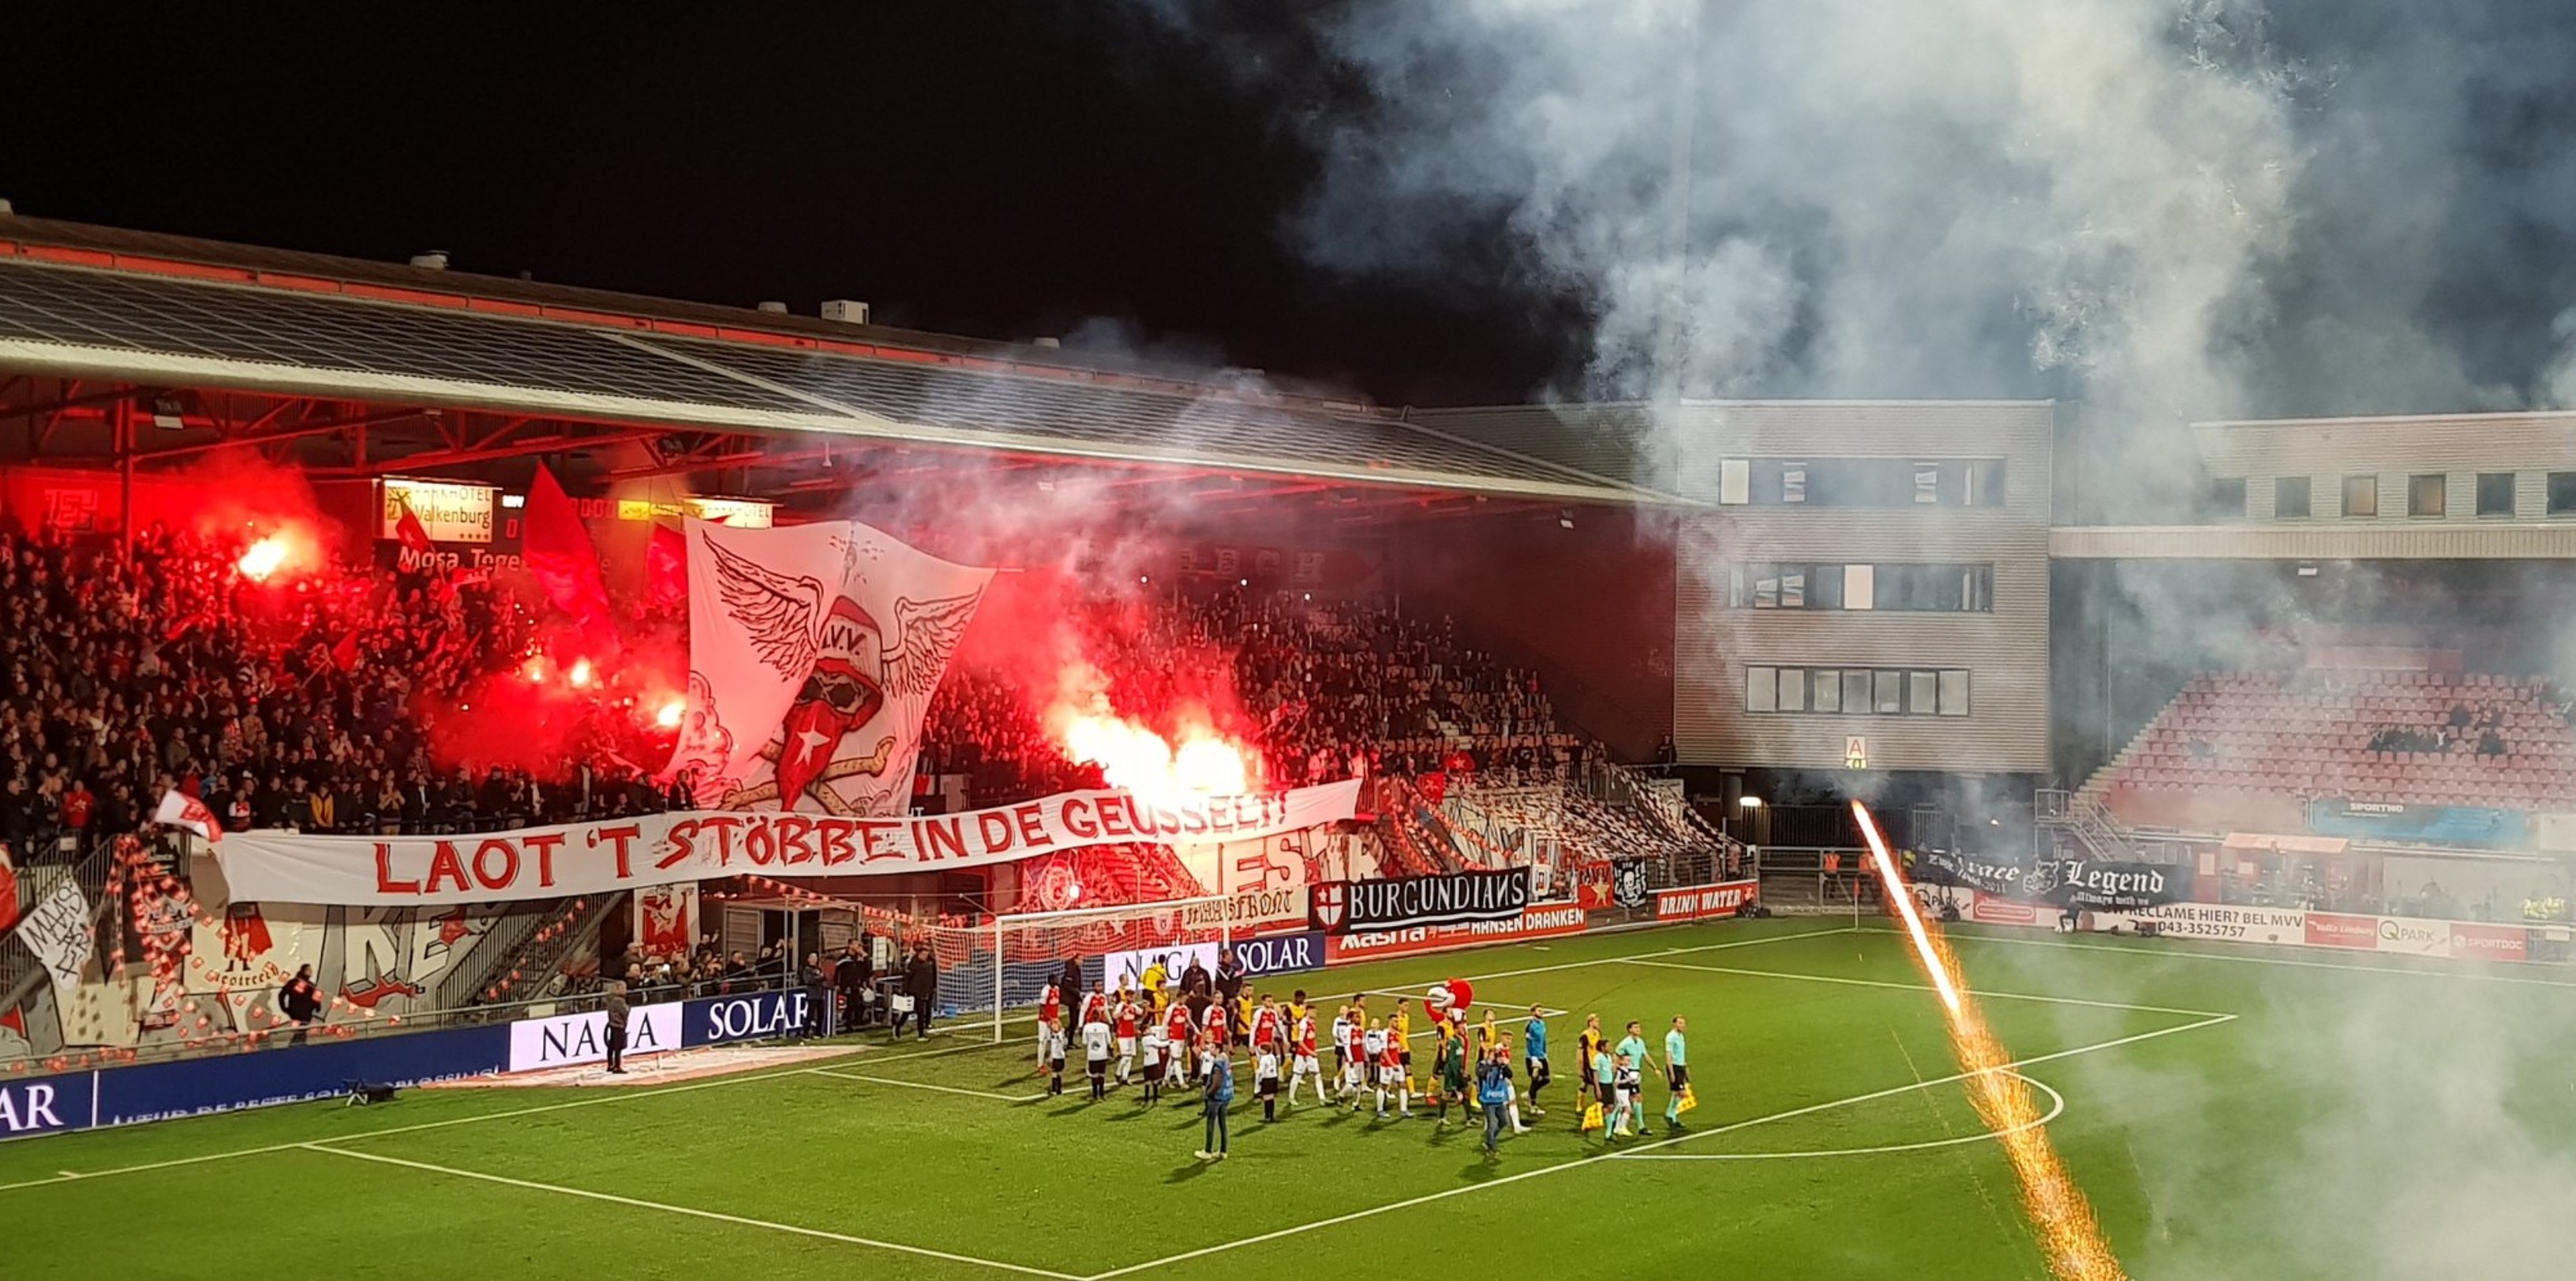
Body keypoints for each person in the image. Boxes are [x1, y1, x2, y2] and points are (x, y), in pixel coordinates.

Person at [1196, 1029, 1236, 1161]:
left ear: (1218, 1049)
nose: (1210, 1048)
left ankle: (1208, 1151)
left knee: (1211, 1123)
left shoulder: (1218, 1063)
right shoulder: (1226, 1060)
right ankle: (1223, 1151)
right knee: (1223, 1123)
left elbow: (1217, 1082)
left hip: (1217, 1097)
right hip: (1226, 1095)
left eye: (1212, 1047)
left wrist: (1208, 1093)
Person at [1477, 1048, 1514, 1157]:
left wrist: (1504, 1065)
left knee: (1504, 1122)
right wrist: (1489, 1063)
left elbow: (1510, 1075)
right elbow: (1481, 1074)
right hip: (1487, 1101)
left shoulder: (1502, 1068)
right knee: (1492, 1124)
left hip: (1499, 1100)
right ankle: (1492, 1148)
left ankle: (1489, 1139)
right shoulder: (1482, 1065)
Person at [1287, 1003, 1323, 1110]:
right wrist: (1310, 1052)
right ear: (1308, 1012)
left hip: (1311, 1054)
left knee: (1317, 1075)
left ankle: (1322, 1098)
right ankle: (1291, 1097)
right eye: (1313, 1011)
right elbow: (1300, 1042)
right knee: (1297, 1075)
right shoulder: (1304, 1024)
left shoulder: (1312, 1023)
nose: (1315, 1013)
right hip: (1303, 1054)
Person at [279, 964, 323, 1047]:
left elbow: (315, 997)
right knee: (300, 1030)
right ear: (305, 971)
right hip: (297, 1011)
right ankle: (295, 1046)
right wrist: (284, 1008)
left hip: (306, 1012)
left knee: (303, 1030)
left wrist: (317, 1006)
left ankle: (298, 1044)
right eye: (309, 970)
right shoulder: (294, 983)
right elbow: (282, 994)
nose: (311, 972)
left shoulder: (310, 985)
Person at [902, 942, 939, 1040]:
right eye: (924, 954)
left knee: (921, 1012)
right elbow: (907, 978)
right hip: (914, 992)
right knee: (909, 1011)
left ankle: (921, 1033)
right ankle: (899, 1026)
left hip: (924, 991)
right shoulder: (913, 964)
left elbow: (932, 975)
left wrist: (933, 986)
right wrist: (905, 991)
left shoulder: (930, 963)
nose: (925, 956)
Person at [1574, 1014, 1605, 1129]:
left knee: (1586, 1083)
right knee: (1593, 1083)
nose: (1598, 1023)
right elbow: (1579, 1052)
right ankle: (1595, 1105)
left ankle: (1583, 1104)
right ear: (1590, 1022)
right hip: (1589, 1064)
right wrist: (1580, 1067)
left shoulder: (1598, 1033)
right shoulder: (1585, 1036)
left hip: (1597, 1063)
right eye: (1596, 1021)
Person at [1522, 1005, 1551, 1118]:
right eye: (1539, 1010)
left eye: (1542, 1010)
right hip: (1532, 1057)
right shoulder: (1530, 1025)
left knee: (1546, 1079)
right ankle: (1533, 1105)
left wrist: (1545, 1053)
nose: (1542, 1012)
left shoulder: (1543, 1024)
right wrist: (1533, 1058)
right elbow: (1529, 1042)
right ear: (1533, 1012)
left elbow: (1543, 1040)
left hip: (1541, 1056)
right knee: (1536, 1079)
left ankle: (1528, 1094)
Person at [1663, 1016, 1691, 1130]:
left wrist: (1685, 1068)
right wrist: (1671, 1072)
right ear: (1674, 1024)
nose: (1682, 1025)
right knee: (1682, 1093)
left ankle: (1671, 1117)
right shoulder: (1671, 1037)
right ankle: (1671, 1114)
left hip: (1680, 1066)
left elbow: (1681, 1053)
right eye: (1680, 1023)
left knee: (1677, 1093)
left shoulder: (1681, 1036)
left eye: (1683, 1023)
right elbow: (1668, 1055)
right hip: (1674, 1066)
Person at [1112, 990, 1142, 1085]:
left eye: (1133, 997)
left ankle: (1125, 1077)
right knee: (1126, 1056)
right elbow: (1114, 1016)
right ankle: (1118, 1073)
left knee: (1131, 1057)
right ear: (1126, 996)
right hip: (1123, 1034)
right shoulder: (1121, 1005)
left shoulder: (1133, 1006)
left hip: (1131, 1034)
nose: (1132, 999)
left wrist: (1146, 1008)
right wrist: (1122, 1013)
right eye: (1130, 997)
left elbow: (1140, 1013)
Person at [1035, 978, 1065, 1074]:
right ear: (1050, 981)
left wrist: (1056, 1018)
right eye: (1055, 980)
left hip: (1054, 1020)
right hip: (1044, 1020)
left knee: (1057, 1039)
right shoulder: (1045, 991)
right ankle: (1040, 1065)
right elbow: (1041, 1008)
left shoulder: (1057, 989)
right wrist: (1050, 1018)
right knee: (1042, 1042)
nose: (1057, 981)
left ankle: (1051, 1060)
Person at [1082, 1013, 1113, 1101]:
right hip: (1102, 1055)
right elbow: (1109, 1041)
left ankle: (1095, 1095)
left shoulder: (1087, 1027)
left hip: (1092, 1055)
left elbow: (1085, 1042)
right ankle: (1102, 1094)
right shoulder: (1104, 1027)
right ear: (1100, 1017)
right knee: (1102, 1075)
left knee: (1094, 1076)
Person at [601, 979, 630, 1074]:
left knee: (612, 1046)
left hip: (613, 1024)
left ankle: (610, 1064)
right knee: (618, 1047)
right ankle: (617, 1066)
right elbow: (625, 1011)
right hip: (619, 1025)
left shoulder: (611, 999)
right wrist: (628, 1008)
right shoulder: (619, 1001)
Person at [1140, 1013, 1168, 1104]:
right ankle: (1154, 1099)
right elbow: (1160, 1044)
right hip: (1153, 1063)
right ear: (1144, 1032)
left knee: (1148, 1082)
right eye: (1148, 1029)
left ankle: (1147, 1099)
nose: (1150, 1030)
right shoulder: (1149, 1038)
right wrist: (1170, 1042)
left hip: (1147, 1063)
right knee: (1155, 1082)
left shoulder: (1145, 1039)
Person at [1254, 1040, 1282, 1122]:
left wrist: (1259, 1081)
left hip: (1267, 1078)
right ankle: (1272, 1116)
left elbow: (1261, 1071)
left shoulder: (1263, 1059)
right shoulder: (1272, 1056)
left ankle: (1267, 1116)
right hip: (1274, 1077)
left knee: (1266, 1098)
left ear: (1264, 1051)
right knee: (1271, 1097)